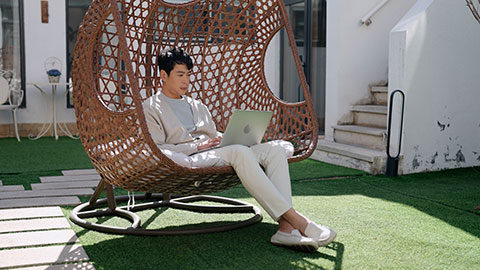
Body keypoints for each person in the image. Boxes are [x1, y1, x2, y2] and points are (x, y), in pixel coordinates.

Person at [142, 47, 336, 252]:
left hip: (217, 152)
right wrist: (198, 145)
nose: (186, 81)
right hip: (193, 157)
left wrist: (222, 137)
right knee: (238, 151)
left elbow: (210, 134)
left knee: (275, 150)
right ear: (163, 75)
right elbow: (158, 148)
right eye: (180, 75)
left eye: (188, 75)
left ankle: (286, 230)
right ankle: (301, 222)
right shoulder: (151, 107)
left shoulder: (196, 105)